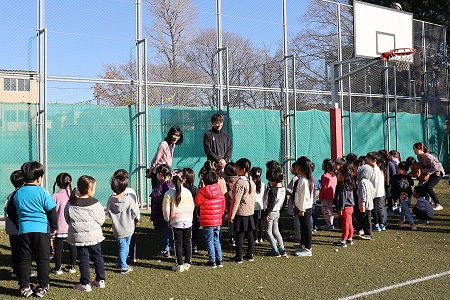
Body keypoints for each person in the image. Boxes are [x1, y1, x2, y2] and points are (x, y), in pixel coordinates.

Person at [7, 161, 57, 298]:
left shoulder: (17, 193)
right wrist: (54, 227)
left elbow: (10, 210)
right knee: (43, 260)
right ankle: (42, 286)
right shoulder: (43, 191)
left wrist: (19, 223)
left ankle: (24, 287)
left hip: (23, 232)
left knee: (24, 260)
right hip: (41, 231)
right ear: (39, 178)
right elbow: (52, 210)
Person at [65, 175, 106, 292]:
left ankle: (85, 283)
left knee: (83, 258)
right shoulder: (96, 203)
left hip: (79, 237)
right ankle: (100, 280)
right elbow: (101, 219)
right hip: (94, 236)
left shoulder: (70, 203)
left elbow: (68, 219)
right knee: (97, 256)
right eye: (94, 188)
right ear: (89, 190)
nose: (95, 191)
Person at [4, 170, 36, 279]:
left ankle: (15, 270)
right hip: (21, 228)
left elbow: (6, 209)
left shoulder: (10, 195)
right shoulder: (21, 195)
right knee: (24, 250)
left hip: (12, 229)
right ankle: (24, 271)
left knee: (15, 250)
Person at [106, 175, 140, 274]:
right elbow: (135, 212)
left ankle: (121, 262)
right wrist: (134, 218)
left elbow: (108, 212)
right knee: (125, 246)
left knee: (122, 246)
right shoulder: (129, 199)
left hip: (117, 228)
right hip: (129, 227)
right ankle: (123, 265)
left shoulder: (111, 199)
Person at [163, 174, 195, 272]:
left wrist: (168, 219)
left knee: (178, 243)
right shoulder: (188, 192)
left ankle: (179, 263)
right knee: (187, 242)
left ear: (171, 181)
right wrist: (190, 217)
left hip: (176, 220)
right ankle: (188, 262)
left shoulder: (169, 193)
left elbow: (166, 209)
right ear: (182, 181)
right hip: (188, 220)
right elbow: (192, 206)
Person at [194, 171, 226, 268]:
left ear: (204, 181)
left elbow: (197, 202)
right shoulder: (220, 192)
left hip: (207, 221)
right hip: (217, 220)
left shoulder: (203, 192)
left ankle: (212, 260)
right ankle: (219, 260)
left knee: (209, 240)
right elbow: (223, 206)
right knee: (216, 240)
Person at [228, 158, 256, 263]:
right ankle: (250, 254)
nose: (236, 170)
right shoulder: (251, 181)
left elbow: (236, 200)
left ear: (243, 169)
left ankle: (238, 257)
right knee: (249, 233)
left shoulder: (240, 183)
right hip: (249, 211)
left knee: (239, 234)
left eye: (237, 168)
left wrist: (232, 214)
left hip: (241, 211)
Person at [51, 173, 77, 275]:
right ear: (70, 182)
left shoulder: (55, 196)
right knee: (72, 246)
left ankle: (58, 268)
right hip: (71, 227)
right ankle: (72, 266)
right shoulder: (74, 195)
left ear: (57, 183)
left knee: (58, 247)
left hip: (59, 227)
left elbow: (52, 212)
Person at [113, 169, 139, 262]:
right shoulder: (131, 191)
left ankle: (123, 259)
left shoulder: (114, 195)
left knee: (121, 242)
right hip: (130, 220)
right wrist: (137, 217)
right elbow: (135, 206)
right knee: (130, 239)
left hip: (119, 222)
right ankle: (131, 256)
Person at [150, 164, 174, 257]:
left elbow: (156, 204)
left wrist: (153, 217)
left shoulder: (160, 188)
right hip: (174, 213)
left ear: (160, 174)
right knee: (172, 231)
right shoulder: (173, 184)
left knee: (165, 232)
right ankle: (172, 247)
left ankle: (165, 250)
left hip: (163, 213)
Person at [413, 142, 444, 210]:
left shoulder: (428, 156)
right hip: (431, 173)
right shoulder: (419, 156)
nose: (414, 150)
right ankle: (426, 202)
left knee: (428, 187)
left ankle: (438, 204)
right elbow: (423, 166)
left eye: (415, 149)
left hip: (437, 173)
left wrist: (426, 171)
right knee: (423, 187)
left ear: (420, 149)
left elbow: (436, 168)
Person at [293, 157, 314, 257]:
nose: (295, 168)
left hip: (304, 208)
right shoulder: (303, 179)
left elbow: (305, 197)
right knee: (303, 227)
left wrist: (302, 209)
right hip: (301, 208)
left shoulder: (304, 181)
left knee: (306, 228)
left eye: (296, 166)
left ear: (300, 167)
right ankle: (303, 244)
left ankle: (308, 248)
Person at [264, 166, 287, 257]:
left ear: (273, 180)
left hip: (271, 212)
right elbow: (284, 201)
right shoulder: (283, 189)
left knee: (268, 231)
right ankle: (282, 248)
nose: (269, 182)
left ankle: (275, 250)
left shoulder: (272, 191)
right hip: (277, 211)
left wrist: (266, 214)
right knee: (276, 231)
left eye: (270, 180)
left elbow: (271, 204)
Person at [334, 164, 355, 247]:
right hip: (350, 207)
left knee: (345, 224)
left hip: (346, 208)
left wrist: (340, 209)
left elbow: (343, 198)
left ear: (343, 175)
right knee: (349, 224)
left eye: (338, 173)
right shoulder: (349, 184)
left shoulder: (343, 186)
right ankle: (349, 238)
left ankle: (343, 240)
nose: (337, 175)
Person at [391, 162, 417, 230]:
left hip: (409, 194)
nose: (405, 172)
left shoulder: (407, 176)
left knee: (404, 209)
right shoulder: (395, 177)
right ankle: (412, 223)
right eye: (404, 170)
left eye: (406, 170)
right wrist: (395, 197)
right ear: (399, 169)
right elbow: (393, 188)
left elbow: (412, 183)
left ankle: (400, 221)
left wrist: (408, 176)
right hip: (402, 196)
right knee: (407, 210)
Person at [365, 152, 386, 232]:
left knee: (375, 209)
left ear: (374, 160)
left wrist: (371, 194)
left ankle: (377, 224)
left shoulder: (375, 170)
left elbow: (374, 183)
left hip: (375, 194)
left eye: (368, 159)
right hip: (379, 193)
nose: (366, 160)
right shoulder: (377, 170)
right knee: (377, 209)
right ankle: (381, 224)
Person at [181, 168, 199, 253]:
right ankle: (194, 245)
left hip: (185, 214)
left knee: (185, 232)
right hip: (193, 214)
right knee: (193, 231)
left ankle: (186, 246)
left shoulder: (182, 189)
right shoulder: (195, 189)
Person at [357, 165, 375, 240]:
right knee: (367, 219)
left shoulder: (362, 182)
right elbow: (373, 192)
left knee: (366, 220)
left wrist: (363, 204)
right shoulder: (369, 182)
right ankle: (366, 232)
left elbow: (363, 195)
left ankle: (368, 234)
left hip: (365, 204)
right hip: (370, 203)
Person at [319, 158, 337, 231]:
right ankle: (331, 223)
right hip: (332, 195)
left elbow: (323, 187)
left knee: (325, 210)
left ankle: (329, 224)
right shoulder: (334, 175)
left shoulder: (325, 176)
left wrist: (320, 196)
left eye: (323, 164)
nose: (322, 165)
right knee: (330, 209)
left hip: (325, 195)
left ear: (326, 166)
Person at [223, 162, 239, 247]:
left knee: (231, 222)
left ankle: (232, 237)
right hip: (239, 206)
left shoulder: (229, 182)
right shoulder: (239, 179)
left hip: (231, 205)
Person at [286, 162, 300, 242]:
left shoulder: (295, 179)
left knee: (297, 218)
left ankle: (297, 234)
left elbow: (292, 190)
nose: (291, 169)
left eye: (292, 168)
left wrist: (286, 190)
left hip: (295, 201)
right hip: (297, 201)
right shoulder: (300, 178)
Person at [251, 167, 265, 244]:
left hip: (253, 206)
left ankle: (255, 238)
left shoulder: (251, 184)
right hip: (261, 206)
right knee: (260, 222)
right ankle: (260, 237)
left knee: (255, 223)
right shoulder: (263, 184)